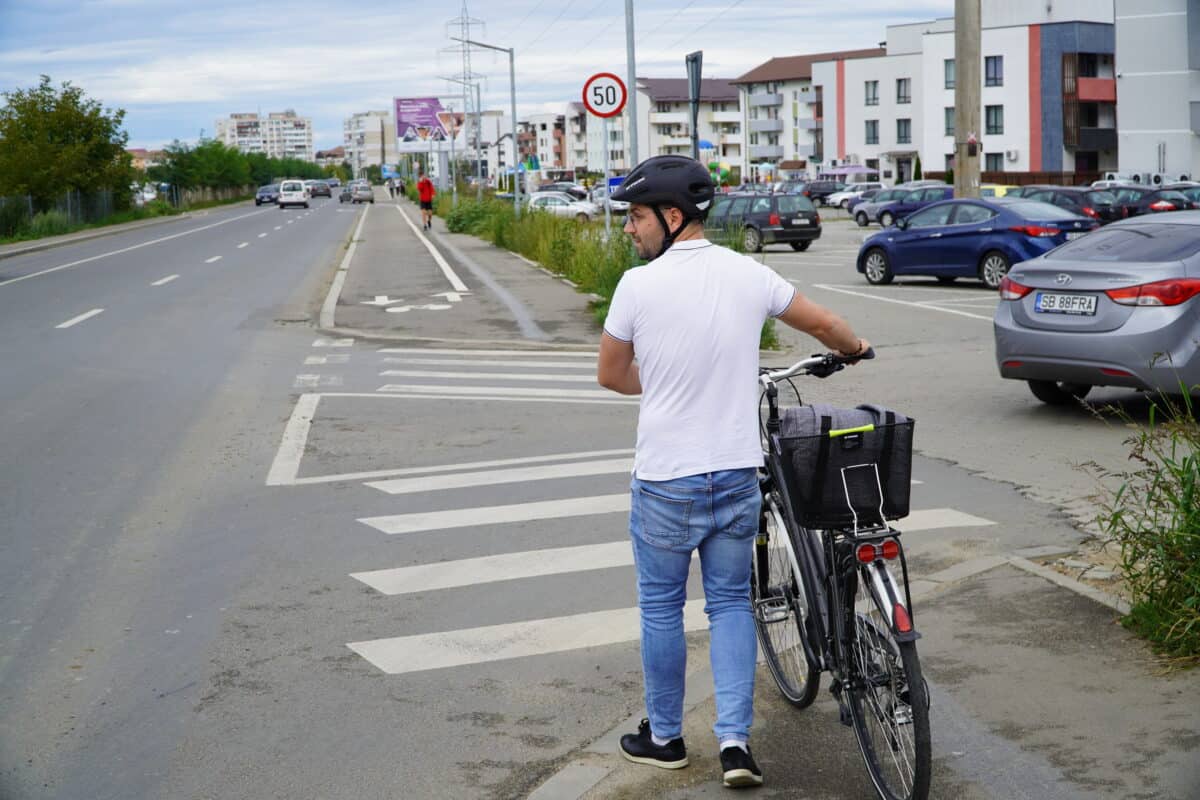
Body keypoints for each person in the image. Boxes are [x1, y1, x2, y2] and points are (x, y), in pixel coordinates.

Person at [596, 155, 871, 789]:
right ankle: (735, 746)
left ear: (671, 216)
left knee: (663, 610)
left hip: (667, 478)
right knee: (730, 605)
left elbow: (611, 374)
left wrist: (662, 381)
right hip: (736, 475)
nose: (631, 230)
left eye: (637, 217)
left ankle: (665, 738)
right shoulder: (750, 274)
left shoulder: (638, 287)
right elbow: (826, 325)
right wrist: (853, 349)